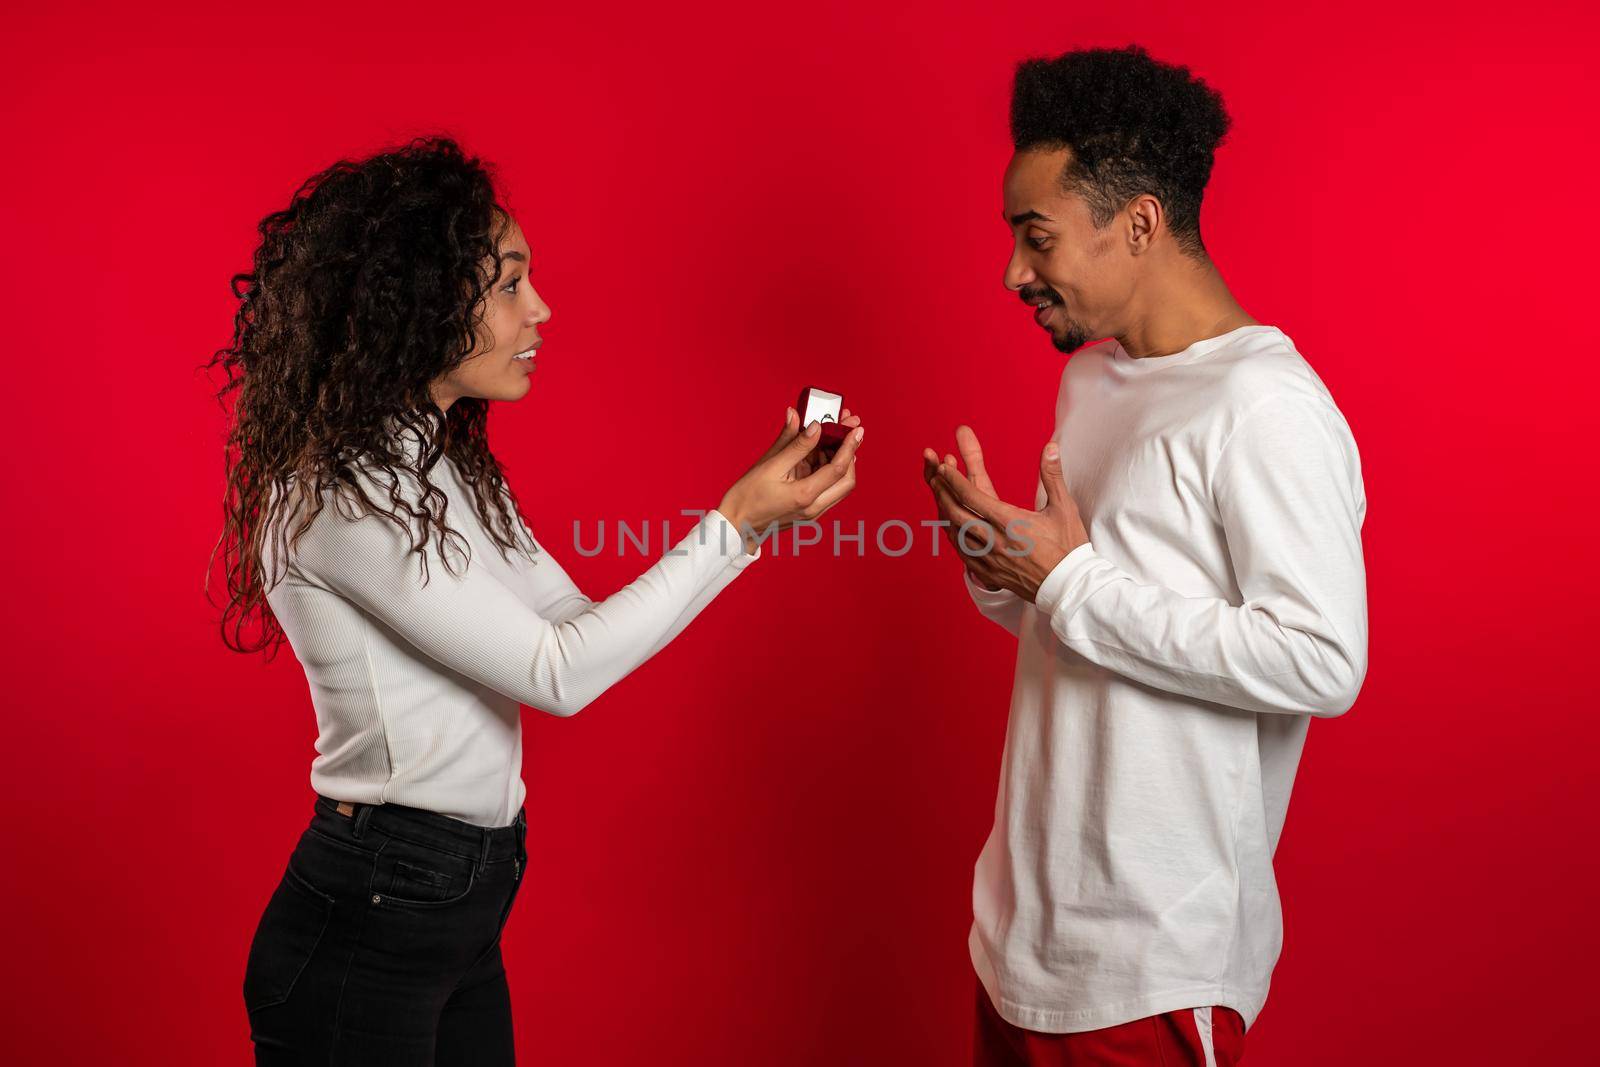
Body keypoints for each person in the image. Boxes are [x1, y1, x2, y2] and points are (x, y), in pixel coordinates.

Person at [207, 135, 864, 1065]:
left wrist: (748, 518)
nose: (541, 309)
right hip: (374, 916)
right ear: (421, 300)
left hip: (461, 902)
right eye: (510, 283)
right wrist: (730, 525)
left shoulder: (439, 465)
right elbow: (556, 675)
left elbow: (567, 621)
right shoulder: (341, 492)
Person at [922, 46, 1368, 1066]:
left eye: (1036, 238)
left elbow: (1320, 658)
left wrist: (1070, 579)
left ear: (1140, 224)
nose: (1012, 272)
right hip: (1020, 939)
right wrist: (1010, 569)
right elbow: (1085, 609)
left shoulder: (1265, 407)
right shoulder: (1095, 381)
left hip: (1150, 967)